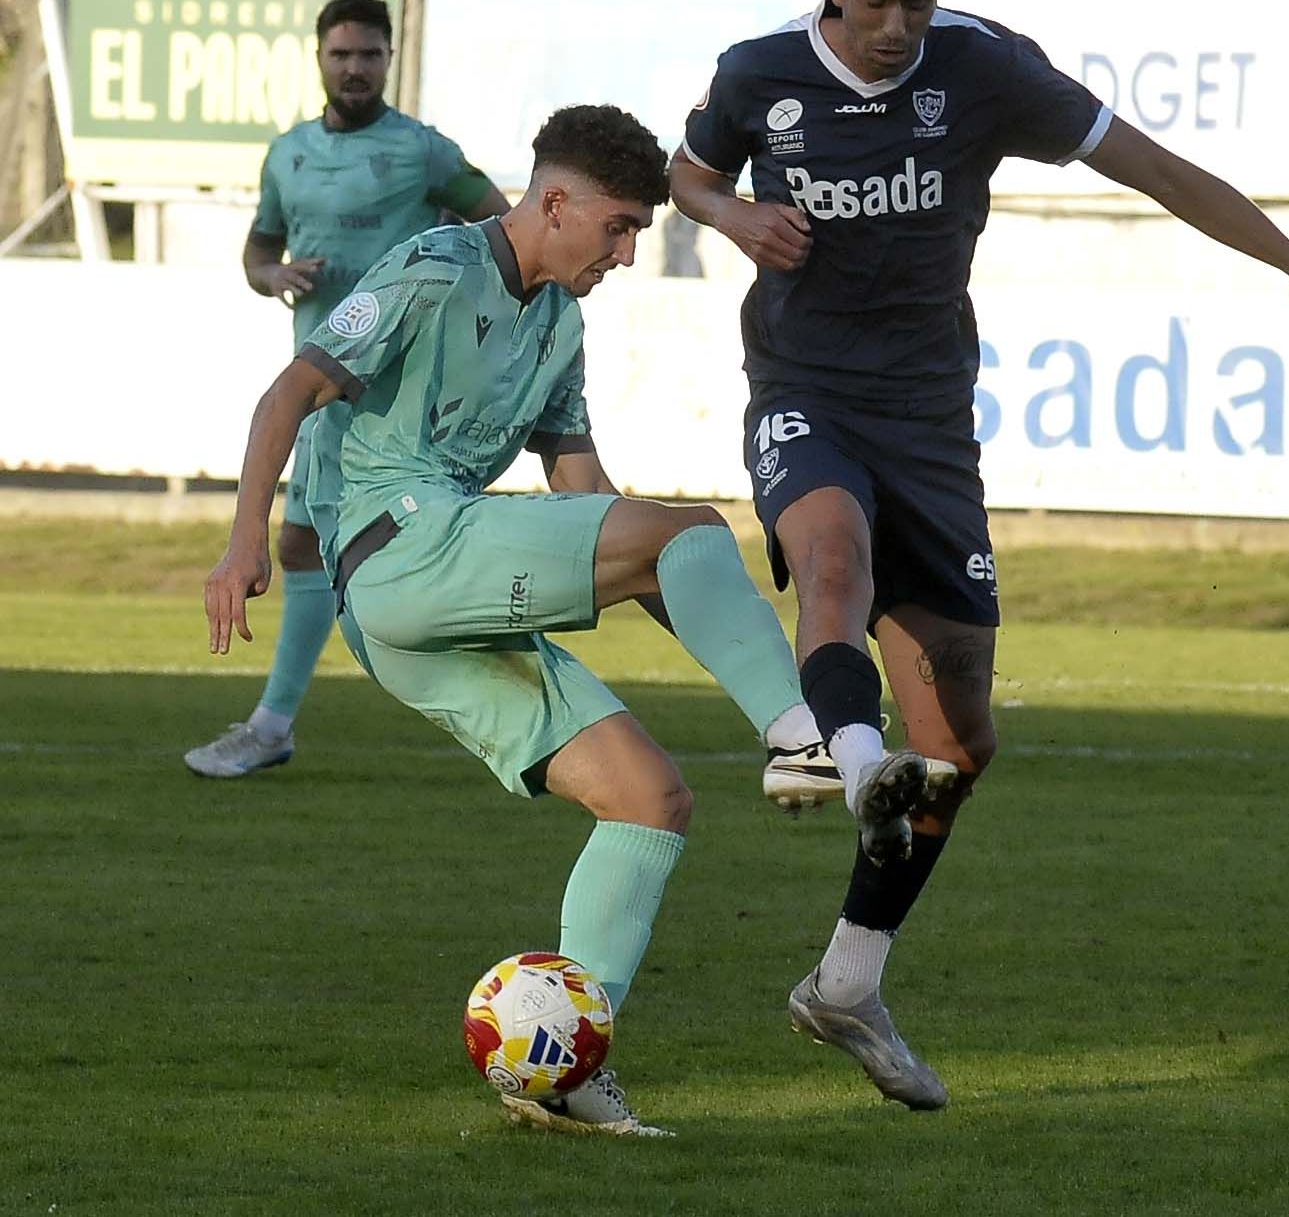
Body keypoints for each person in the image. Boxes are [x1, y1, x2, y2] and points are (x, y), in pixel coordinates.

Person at [669, 0, 1289, 1112]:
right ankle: (852, 759)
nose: (899, 25)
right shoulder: (757, 74)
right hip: (805, 387)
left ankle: (848, 980)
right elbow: (687, 172)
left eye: (919, 1)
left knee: (961, 744)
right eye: (877, 0)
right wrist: (730, 217)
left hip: (931, 421)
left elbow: (1158, 170)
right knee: (831, 560)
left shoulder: (985, 70)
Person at [202, 104, 907, 1137]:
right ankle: (806, 736)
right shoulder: (435, 266)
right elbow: (287, 393)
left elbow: (587, 495)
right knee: (689, 528)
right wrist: (243, 543)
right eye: (618, 228)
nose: (626, 254)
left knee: (650, 798)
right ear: (557, 202)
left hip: (423, 619)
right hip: (400, 549)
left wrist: (692, 593)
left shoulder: (560, 326)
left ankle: (566, 1066)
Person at [184, 0, 511, 780]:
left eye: (369, 54)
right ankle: (276, 723)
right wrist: (273, 275)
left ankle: (495, 705)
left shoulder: (424, 151)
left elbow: (501, 227)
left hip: (387, 394)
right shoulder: (288, 154)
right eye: (342, 54)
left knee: (356, 558)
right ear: (320, 59)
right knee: (307, 546)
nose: (355, 68)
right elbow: (259, 250)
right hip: (318, 380)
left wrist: (441, 285)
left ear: (390, 59)